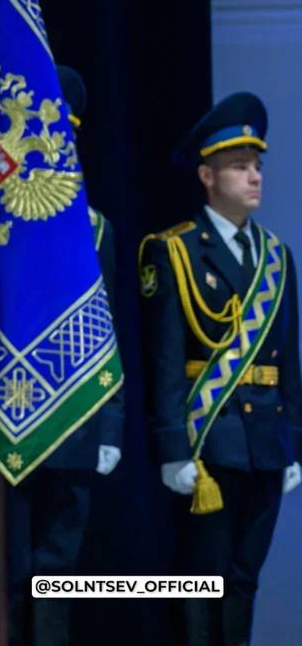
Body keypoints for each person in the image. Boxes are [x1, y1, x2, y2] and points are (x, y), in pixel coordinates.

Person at [138, 91, 301, 645]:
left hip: (265, 443)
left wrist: (293, 442)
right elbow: (163, 360)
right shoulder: (175, 251)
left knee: (244, 580)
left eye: (257, 166)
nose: (254, 177)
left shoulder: (278, 259)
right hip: (210, 441)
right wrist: (172, 448)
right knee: (200, 582)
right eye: (239, 167)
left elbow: (290, 364)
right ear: (207, 176)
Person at [3, 65, 125, 646]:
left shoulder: (98, 230)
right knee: (7, 566)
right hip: (10, 421)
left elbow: (108, 331)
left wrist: (112, 424)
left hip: (75, 420)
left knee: (59, 571)